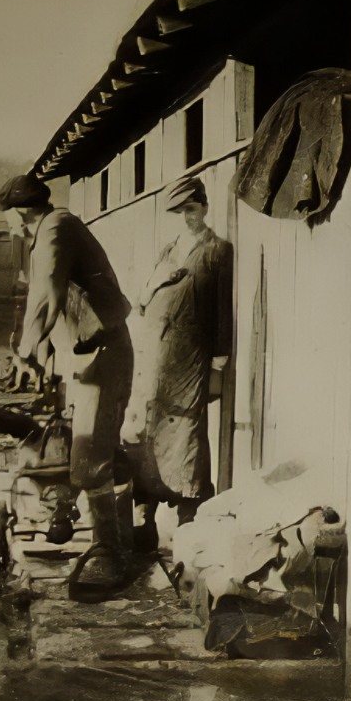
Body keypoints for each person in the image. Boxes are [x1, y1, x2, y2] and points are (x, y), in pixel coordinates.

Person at [0, 173, 137, 598]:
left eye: (13, 221)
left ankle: (110, 552)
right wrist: (43, 356)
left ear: (21, 212)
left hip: (103, 354)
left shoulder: (55, 227)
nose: (17, 230)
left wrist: (24, 348)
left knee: (88, 455)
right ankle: (117, 539)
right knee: (95, 448)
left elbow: (47, 291)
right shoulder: (58, 226)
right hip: (93, 353)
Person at [122, 177, 234, 547]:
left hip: (191, 356)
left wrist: (219, 360)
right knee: (148, 431)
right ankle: (146, 518)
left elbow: (222, 308)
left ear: (204, 207)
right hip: (157, 354)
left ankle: (188, 520)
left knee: (186, 433)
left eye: (192, 208)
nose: (187, 216)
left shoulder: (218, 250)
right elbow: (142, 298)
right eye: (181, 211)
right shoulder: (169, 249)